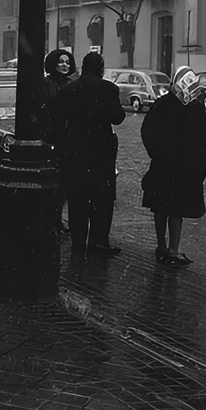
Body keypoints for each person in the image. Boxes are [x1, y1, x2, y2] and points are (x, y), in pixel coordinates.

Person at [53, 51, 126, 257]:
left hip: (76, 150)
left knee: (78, 198)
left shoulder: (69, 90)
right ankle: (98, 240)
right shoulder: (108, 89)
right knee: (102, 199)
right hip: (100, 151)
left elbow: (58, 116)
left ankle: (78, 239)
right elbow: (118, 117)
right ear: (101, 69)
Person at [141, 65, 206, 267]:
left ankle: (164, 246)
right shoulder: (194, 107)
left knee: (163, 207)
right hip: (181, 167)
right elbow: (203, 141)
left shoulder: (164, 104)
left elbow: (148, 132)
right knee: (174, 209)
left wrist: (157, 153)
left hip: (167, 165)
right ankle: (171, 248)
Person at [41, 49, 77, 234]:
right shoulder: (46, 84)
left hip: (67, 138)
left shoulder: (71, 84)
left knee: (65, 183)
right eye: (61, 62)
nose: (65, 65)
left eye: (67, 62)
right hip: (52, 138)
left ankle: (59, 217)